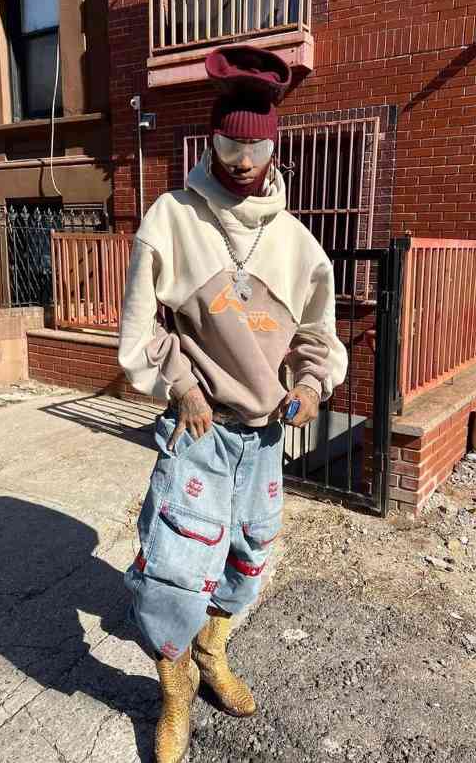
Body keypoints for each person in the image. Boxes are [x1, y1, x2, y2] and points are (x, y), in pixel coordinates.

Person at [118, 45, 348, 763]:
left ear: (274, 147)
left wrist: (309, 385)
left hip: (264, 437)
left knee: (249, 556)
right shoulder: (172, 218)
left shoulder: (297, 242)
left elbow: (318, 337)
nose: (243, 160)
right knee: (175, 563)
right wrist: (181, 383)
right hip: (200, 428)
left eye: (256, 146)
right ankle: (175, 692)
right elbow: (139, 330)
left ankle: (212, 652)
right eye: (228, 144)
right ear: (210, 140)